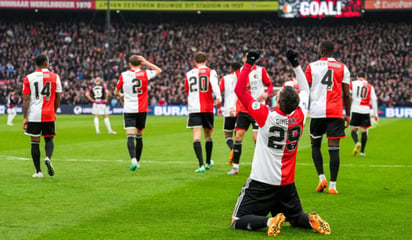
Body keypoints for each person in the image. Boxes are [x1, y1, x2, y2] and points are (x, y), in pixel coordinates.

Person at [231, 49, 330, 236]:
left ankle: (270, 221)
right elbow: (306, 90)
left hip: (262, 181)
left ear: (278, 100)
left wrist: (249, 63)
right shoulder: (300, 115)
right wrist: (296, 64)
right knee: (293, 217)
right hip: (286, 183)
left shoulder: (266, 115)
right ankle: (310, 220)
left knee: (237, 221)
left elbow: (239, 90)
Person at [305, 40, 352, 194]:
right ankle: (332, 186)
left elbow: (305, 91)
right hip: (336, 112)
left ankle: (321, 177)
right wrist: (348, 114)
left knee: (315, 145)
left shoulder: (311, 67)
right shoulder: (342, 67)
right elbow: (347, 94)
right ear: (333, 51)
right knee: (334, 149)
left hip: (317, 112)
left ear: (322, 50)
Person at [227, 50, 273, 175]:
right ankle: (235, 166)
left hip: (257, 108)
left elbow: (270, 85)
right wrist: (232, 106)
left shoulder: (261, 70)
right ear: (243, 59)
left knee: (256, 138)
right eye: (246, 57)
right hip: (243, 109)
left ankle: (261, 166)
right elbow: (236, 91)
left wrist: (266, 93)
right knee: (238, 136)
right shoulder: (239, 72)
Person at [114, 55, 162, 171]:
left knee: (129, 135)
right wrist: (147, 62)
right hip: (141, 109)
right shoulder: (145, 73)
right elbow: (158, 70)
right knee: (139, 136)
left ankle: (133, 160)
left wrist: (121, 96)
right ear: (140, 64)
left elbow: (116, 91)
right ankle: (138, 161)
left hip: (129, 109)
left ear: (129, 64)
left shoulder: (124, 75)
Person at [22, 54, 62, 178]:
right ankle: (48, 157)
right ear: (46, 63)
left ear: (36, 64)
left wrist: (25, 117)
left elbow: (26, 99)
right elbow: (58, 96)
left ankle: (38, 172)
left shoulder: (28, 78)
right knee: (49, 139)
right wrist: (53, 110)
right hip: (48, 114)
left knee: (35, 142)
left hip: (34, 115)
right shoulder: (55, 77)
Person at [185, 51, 222, 173]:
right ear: (206, 61)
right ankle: (208, 162)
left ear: (195, 62)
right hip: (207, 108)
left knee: (196, 137)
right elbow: (215, 85)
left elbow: (187, 90)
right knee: (208, 136)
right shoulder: (211, 72)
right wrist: (218, 97)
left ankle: (200, 165)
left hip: (194, 109)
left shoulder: (189, 74)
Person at [350, 72, 379, 157]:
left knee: (353, 129)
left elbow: (347, 94)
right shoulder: (370, 86)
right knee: (364, 131)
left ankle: (357, 142)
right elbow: (374, 100)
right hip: (365, 110)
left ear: (357, 76)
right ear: (365, 77)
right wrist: (375, 114)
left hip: (355, 109)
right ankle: (362, 152)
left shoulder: (353, 84)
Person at [217, 62, 242, 161]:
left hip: (228, 110)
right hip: (241, 109)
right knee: (238, 137)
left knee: (228, 135)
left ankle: (233, 149)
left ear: (231, 68)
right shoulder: (243, 78)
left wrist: (219, 107)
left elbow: (219, 93)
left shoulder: (225, 79)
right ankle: (236, 159)